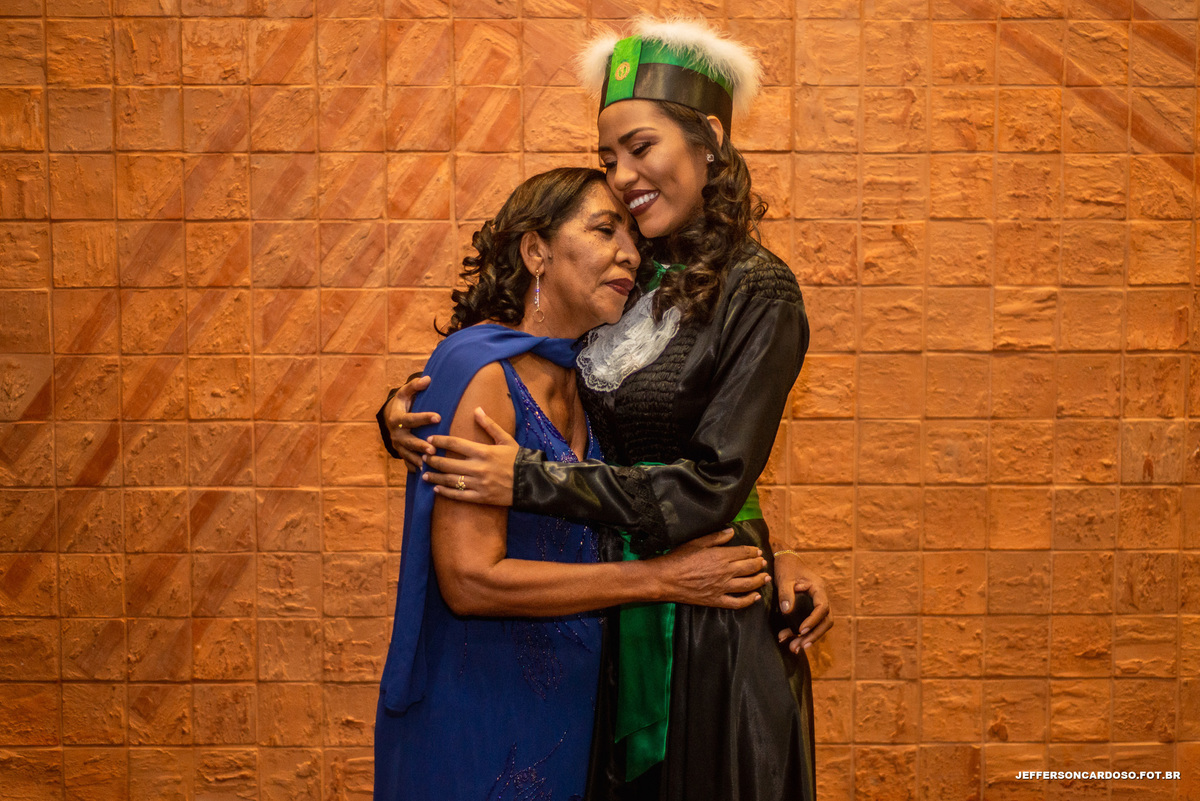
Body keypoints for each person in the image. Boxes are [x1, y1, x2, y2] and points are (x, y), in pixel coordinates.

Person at [381, 18, 833, 801]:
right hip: (611, 610)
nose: (623, 176)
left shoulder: (760, 291)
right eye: (608, 157)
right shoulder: (621, 271)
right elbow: (520, 367)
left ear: (710, 141)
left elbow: (709, 482)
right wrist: (401, 417)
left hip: (703, 626)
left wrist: (527, 481)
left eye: (641, 147)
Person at [373, 166, 774, 801]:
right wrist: (661, 581)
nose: (630, 253)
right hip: (479, 707)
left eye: (633, 236)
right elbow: (469, 580)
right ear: (537, 251)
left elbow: (661, 489)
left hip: (575, 708)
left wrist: (773, 560)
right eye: (604, 229)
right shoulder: (478, 368)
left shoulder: (591, 376)